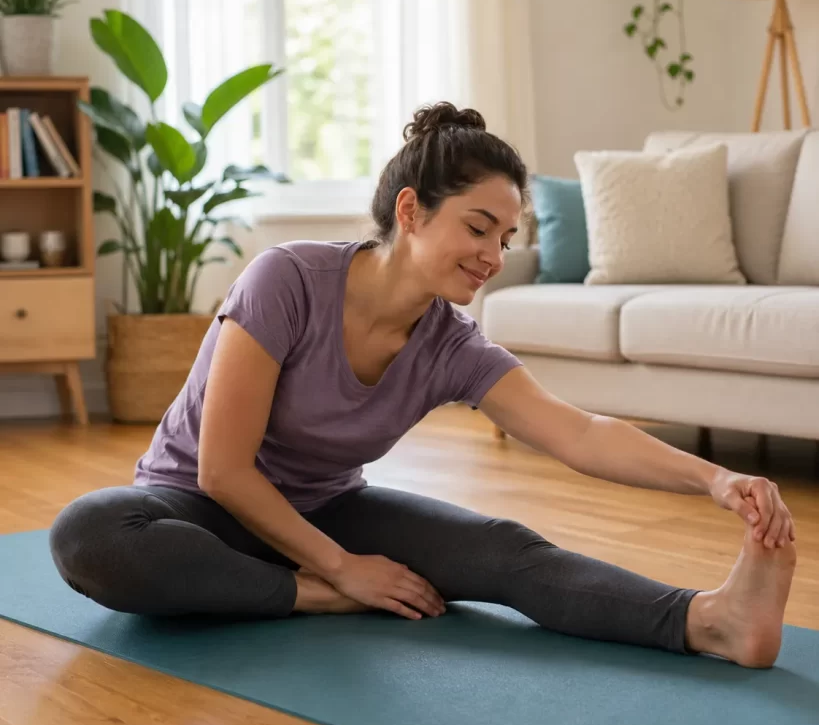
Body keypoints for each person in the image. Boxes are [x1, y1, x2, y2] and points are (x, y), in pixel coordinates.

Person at [49, 102, 797, 669]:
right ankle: (305, 596)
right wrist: (340, 574)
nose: (493, 255)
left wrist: (715, 478)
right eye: (477, 228)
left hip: (328, 508)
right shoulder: (287, 279)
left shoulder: (450, 344)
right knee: (89, 533)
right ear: (410, 211)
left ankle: (710, 622)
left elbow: (578, 433)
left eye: (504, 238)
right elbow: (222, 470)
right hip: (197, 511)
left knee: (506, 550)